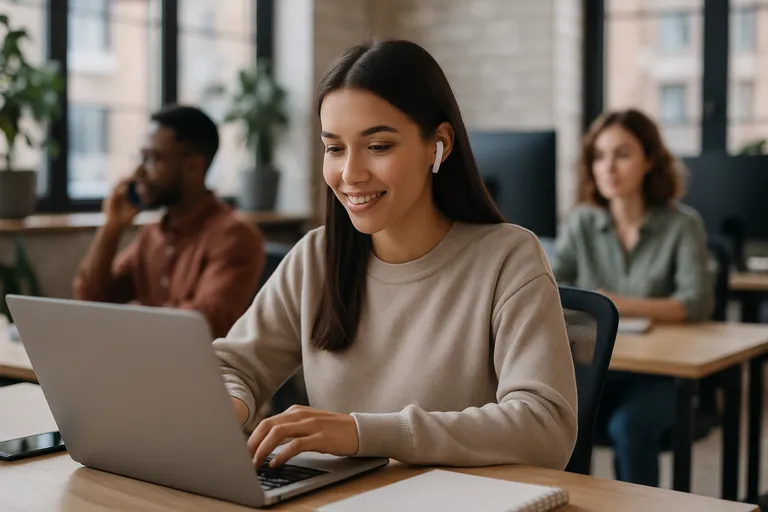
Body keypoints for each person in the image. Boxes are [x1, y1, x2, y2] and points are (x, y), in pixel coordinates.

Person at [213, 39, 578, 471]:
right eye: (334, 148)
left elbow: (545, 427)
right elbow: (232, 365)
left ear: (437, 145)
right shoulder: (316, 256)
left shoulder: (508, 258)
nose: (350, 174)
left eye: (378, 146)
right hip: (341, 501)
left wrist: (361, 433)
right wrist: (228, 407)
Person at [550, 108, 714, 487]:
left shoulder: (682, 225)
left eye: (622, 154)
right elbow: (553, 291)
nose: (609, 167)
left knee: (630, 427)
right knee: (553, 417)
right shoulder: (582, 222)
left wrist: (611, 304)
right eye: (600, 156)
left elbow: (695, 302)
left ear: (650, 160)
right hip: (597, 369)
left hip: (661, 377)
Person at [73, 105, 266, 339]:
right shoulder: (152, 232)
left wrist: (132, 314)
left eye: (154, 159)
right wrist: (111, 227)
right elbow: (90, 300)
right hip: (148, 363)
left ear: (193, 166)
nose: (138, 173)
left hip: (203, 371)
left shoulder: (235, 236)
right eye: (141, 157)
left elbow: (203, 324)